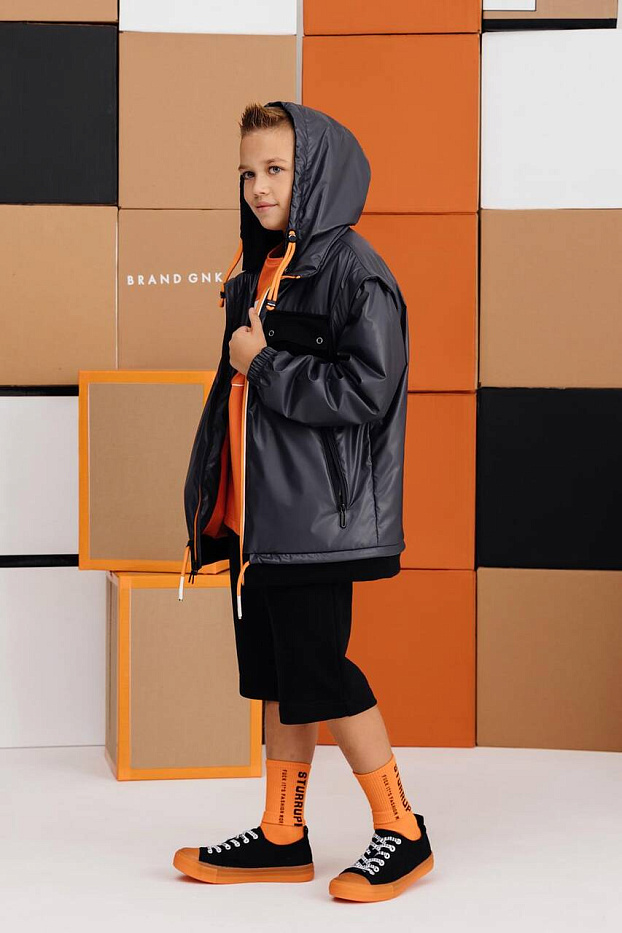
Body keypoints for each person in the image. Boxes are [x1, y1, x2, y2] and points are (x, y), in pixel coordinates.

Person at [173, 101, 434, 903]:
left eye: (276, 170)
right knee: (279, 676)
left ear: (313, 173)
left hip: (320, 518)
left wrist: (263, 362)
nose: (258, 187)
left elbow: (369, 390)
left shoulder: (354, 269)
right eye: (247, 172)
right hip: (260, 520)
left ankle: (402, 828)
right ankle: (282, 833)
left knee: (319, 669)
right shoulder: (259, 268)